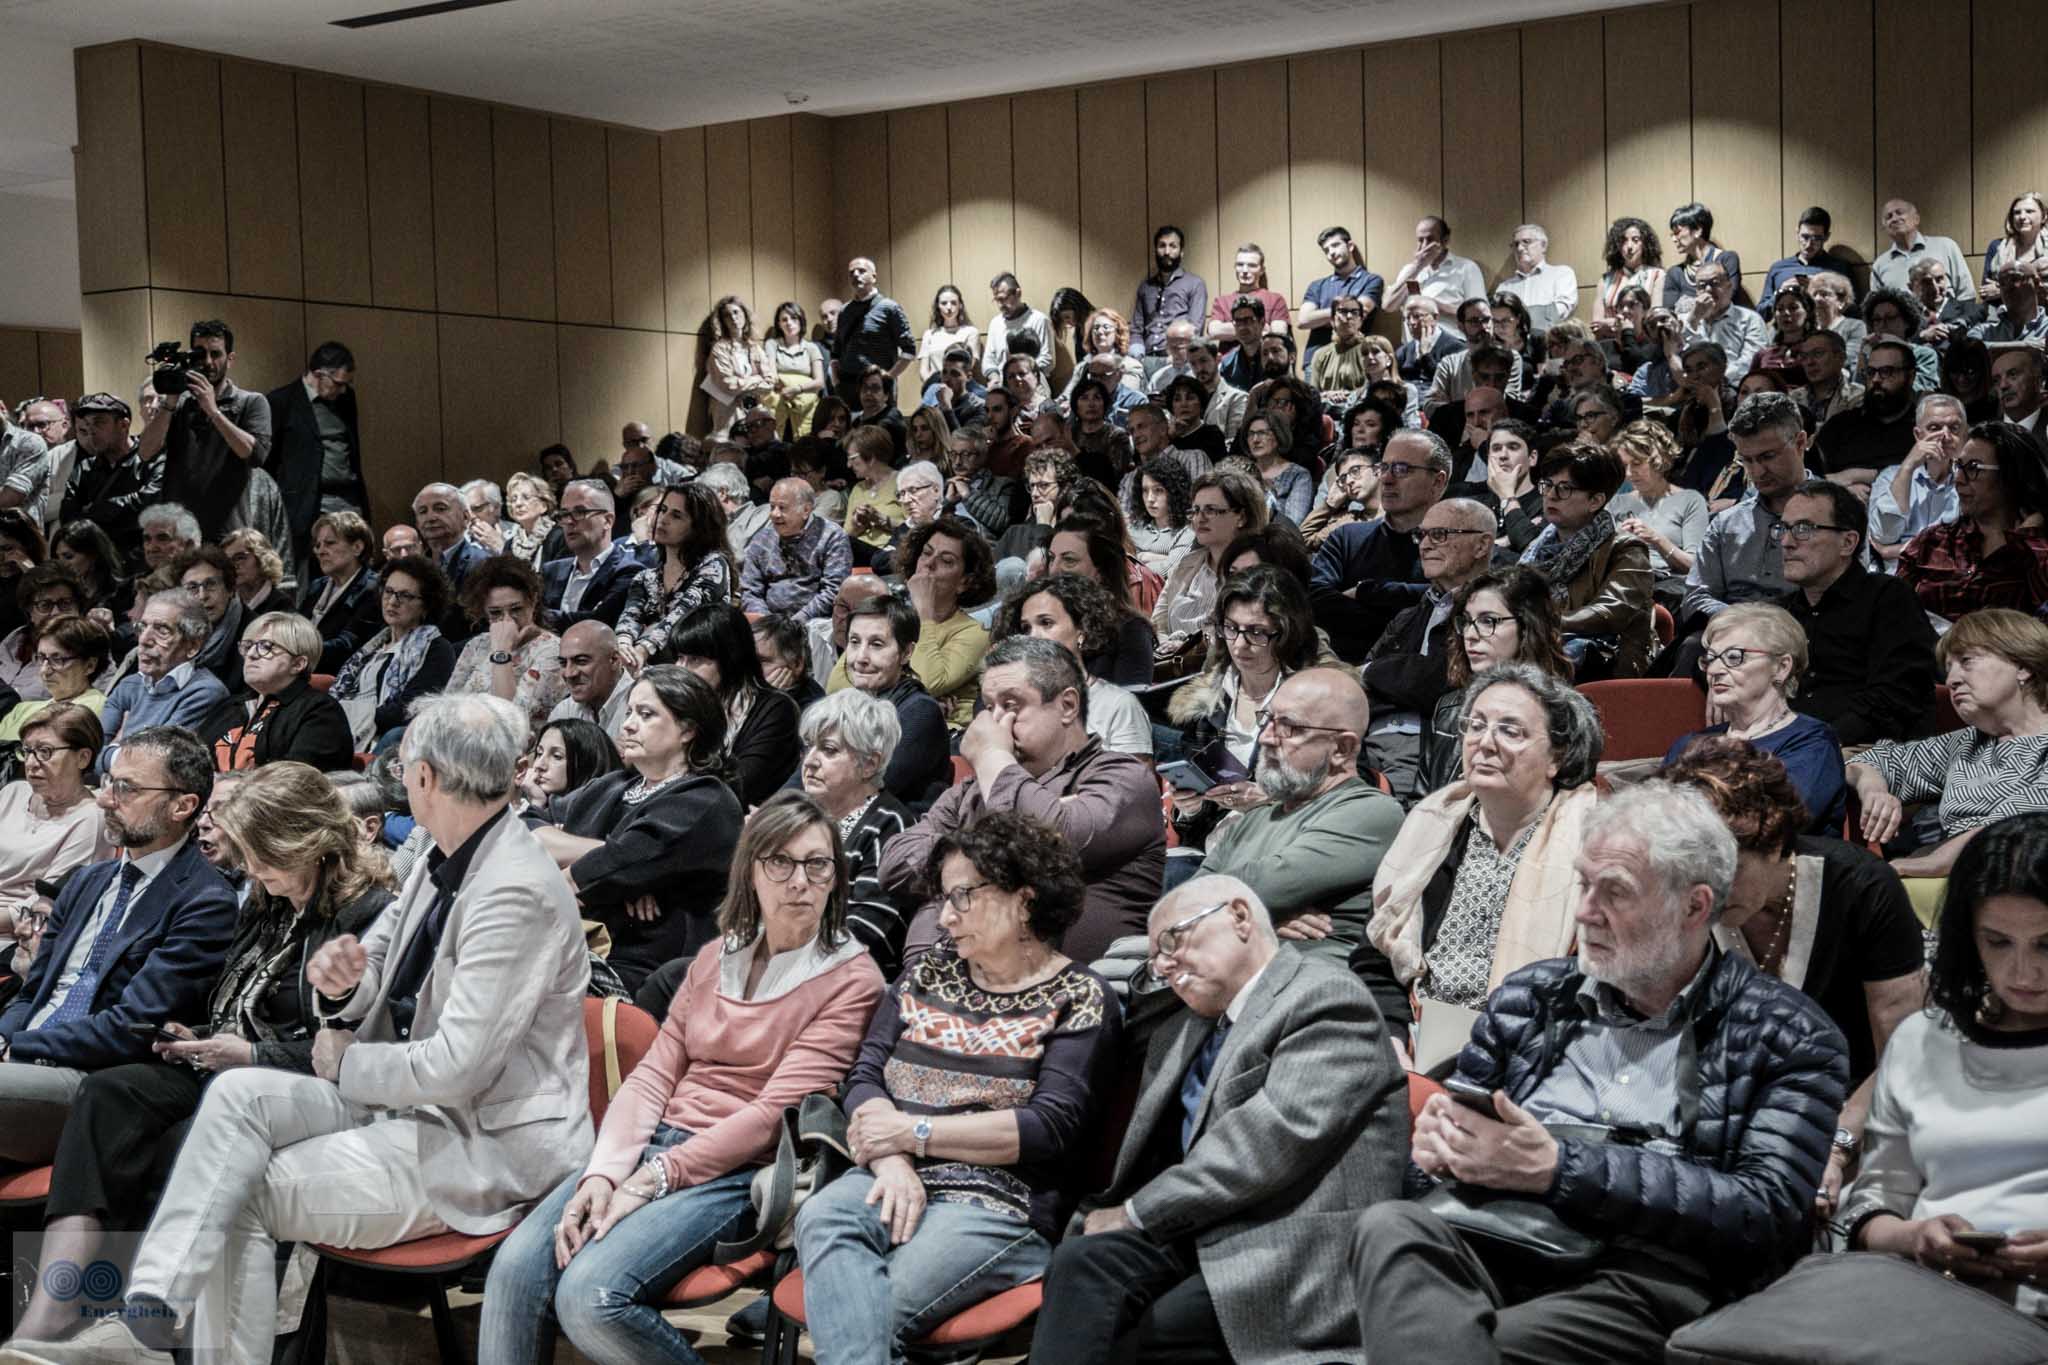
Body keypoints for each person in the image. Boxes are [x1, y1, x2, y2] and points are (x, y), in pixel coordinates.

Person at [49, 694, 591, 1365]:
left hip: (480, 1144)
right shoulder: (438, 853)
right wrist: (344, 985)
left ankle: (150, 1331)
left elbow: (457, 1066)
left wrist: (341, 1059)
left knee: (238, 1188)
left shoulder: (513, 889)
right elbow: (373, 970)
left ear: (422, 777)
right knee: (237, 1098)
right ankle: (147, 1316)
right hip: (412, 1107)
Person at [1351, 781, 1850, 1364]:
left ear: (1694, 906)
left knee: (1488, 1346)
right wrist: (1441, 1153)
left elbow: (1767, 1212)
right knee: (1388, 1225)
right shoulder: (1530, 997)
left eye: (1615, 892)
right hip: (1502, 1233)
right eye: (1584, 883)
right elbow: (1441, 1163)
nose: (1585, 912)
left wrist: (1559, 1168)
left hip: (1648, 1270)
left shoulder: (1789, 1034)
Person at [0, 761, 393, 1358]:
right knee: (111, 1093)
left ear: (303, 841)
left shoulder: (367, 914)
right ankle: (66, 1312)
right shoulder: (267, 898)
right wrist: (202, 1032)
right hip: (225, 1065)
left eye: (258, 851)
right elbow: (238, 999)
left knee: (176, 1137)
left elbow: (356, 1042)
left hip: (296, 1083)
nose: (247, 866)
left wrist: (252, 1050)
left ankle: (138, 1326)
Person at [478, 789, 883, 1365]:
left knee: (592, 1297)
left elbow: (770, 1117)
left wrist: (652, 1179)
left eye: (818, 864)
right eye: (782, 863)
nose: (800, 881)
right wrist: (604, 1172)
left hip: (737, 1169)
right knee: (515, 1268)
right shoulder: (718, 955)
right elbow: (652, 1078)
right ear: (751, 871)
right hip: (654, 1146)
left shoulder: (852, 979)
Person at [1033, 873, 1406, 1364]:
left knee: (1130, 1335)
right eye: (1156, 958)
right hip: (1202, 1229)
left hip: (1284, 1243)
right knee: (1083, 1264)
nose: (1165, 965)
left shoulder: (1325, 999)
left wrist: (1135, 1213)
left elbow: (1264, 1145)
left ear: (1239, 916)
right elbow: (1135, 1023)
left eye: (1174, 939)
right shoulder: (1190, 1024)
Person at [795, 811, 1117, 1365]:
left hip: (999, 1203)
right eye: (943, 899)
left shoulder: (1080, 995)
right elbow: (864, 1076)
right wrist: (892, 1157)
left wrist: (913, 1133)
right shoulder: (926, 975)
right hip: (886, 1174)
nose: (945, 917)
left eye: (962, 896)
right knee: (821, 1216)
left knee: (869, 1311)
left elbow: (1048, 1128)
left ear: (1025, 900)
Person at [1659, 737, 1925, 1212]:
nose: (1710, 891)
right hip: (1732, 1118)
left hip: (1861, 1117)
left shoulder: (1863, 888)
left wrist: (1838, 1145)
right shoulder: (1688, 896)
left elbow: (1902, 1052)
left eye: (1729, 868)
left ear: (1775, 840)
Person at [0, 725, 237, 1162]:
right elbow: (33, 992)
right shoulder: (87, 881)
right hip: (21, 1057)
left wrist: (19, 1047)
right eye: (109, 782)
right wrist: (5, 1036)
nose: (105, 798)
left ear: (183, 805)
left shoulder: (205, 900)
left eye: (126, 788)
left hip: (90, 1079)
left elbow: (133, 1026)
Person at [1356, 662, 1602, 1051]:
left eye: (1510, 730)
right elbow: (1376, 957)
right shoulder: (1433, 823)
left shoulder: (1595, 843)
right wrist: (1393, 1035)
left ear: (1558, 756)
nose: (1484, 742)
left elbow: (1605, 984)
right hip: (1417, 1035)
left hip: (1537, 1048)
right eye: (1476, 724)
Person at [880, 635, 1164, 964]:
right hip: (936, 989)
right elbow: (895, 863)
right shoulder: (971, 789)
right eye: (989, 708)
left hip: (1065, 996)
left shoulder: (1122, 777)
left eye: (1012, 705)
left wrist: (990, 756)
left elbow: (1058, 840)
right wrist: (985, 846)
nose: (995, 723)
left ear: (1067, 706)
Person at [1183, 666, 1402, 964]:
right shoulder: (1254, 818)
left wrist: (1238, 916)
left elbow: (1265, 884)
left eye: (1290, 728)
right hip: (1223, 972)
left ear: (1342, 747)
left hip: (1300, 989)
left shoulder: (1371, 812)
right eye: (1268, 720)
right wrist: (1260, 922)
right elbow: (1183, 904)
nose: (1266, 738)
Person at [1849, 609, 2048, 882]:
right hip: (1944, 876)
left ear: (2023, 667)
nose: (1952, 680)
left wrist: (1931, 863)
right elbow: (1866, 762)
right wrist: (1874, 789)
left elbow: (2014, 827)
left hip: (2019, 880)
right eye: (1949, 668)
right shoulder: (1968, 742)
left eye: (1966, 662)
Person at [1776, 477, 1939, 745]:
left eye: (1803, 529)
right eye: (1783, 529)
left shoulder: (1889, 598)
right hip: (1790, 747)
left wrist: (1818, 743)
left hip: (1865, 750)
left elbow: (1897, 696)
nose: (1786, 542)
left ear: (1848, 543)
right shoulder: (1782, 612)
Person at [1664, 603, 1847, 834]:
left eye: (1734, 657)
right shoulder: (1689, 745)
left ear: (1781, 668)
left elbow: (1771, 821)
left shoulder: (1812, 743)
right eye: (1711, 658)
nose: (1714, 670)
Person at [1360, 498, 1500, 798]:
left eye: (1439, 535)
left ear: (1481, 545)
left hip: (1433, 750)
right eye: (1421, 535)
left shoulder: (1497, 611)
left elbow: (1446, 681)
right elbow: (1360, 681)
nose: (1424, 545)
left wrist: (1381, 672)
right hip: (1365, 742)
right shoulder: (1407, 617)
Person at [1416, 568, 1572, 797]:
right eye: (1467, 621)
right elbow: (1421, 800)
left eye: (1488, 621)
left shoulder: (1563, 710)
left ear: (1528, 627)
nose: (1470, 634)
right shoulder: (1447, 707)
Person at [793, 690, 914, 979]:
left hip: (845, 981)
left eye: (829, 750)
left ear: (869, 764)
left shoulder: (891, 825)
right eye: (808, 746)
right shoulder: (797, 816)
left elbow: (868, 931)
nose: (810, 761)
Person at [1310, 428, 1450, 662]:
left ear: (1438, 481)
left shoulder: (1457, 540)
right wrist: (1408, 612)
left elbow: (1454, 599)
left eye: (1402, 469)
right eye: (1384, 467)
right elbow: (1316, 602)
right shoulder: (1346, 537)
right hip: (1344, 668)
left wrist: (1368, 592)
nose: (1386, 478)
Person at [1521, 442, 1654, 678]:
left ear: (1595, 500)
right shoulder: (1536, 550)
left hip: (1604, 660)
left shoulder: (1627, 548)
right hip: (1543, 644)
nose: (1551, 495)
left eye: (1564, 488)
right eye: (1548, 485)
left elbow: (1612, 611)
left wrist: (1543, 621)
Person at [134, 319, 271, 542]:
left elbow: (255, 455)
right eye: (200, 354)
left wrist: (213, 410)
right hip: (179, 532)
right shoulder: (177, 404)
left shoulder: (251, 402)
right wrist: (170, 401)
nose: (207, 362)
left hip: (227, 530)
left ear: (230, 358)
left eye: (216, 354)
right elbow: (145, 452)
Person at [1899, 420, 2048, 622]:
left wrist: (2028, 532)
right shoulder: (1932, 541)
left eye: (1973, 467)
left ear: (2011, 475)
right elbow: (1891, 612)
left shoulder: (2036, 553)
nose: (1959, 479)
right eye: (1958, 466)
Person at [1683, 392, 1811, 624]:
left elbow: (1848, 600)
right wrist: (1748, 624)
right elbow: (1695, 599)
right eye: (1747, 460)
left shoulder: (1839, 514)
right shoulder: (1726, 523)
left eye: (1768, 456)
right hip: (1729, 635)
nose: (1757, 472)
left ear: (1800, 443)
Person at [998, 573, 1153, 757]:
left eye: (1046, 623)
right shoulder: (1014, 706)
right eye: (1026, 628)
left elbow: (1135, 782)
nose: (1033, 636)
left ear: (1082, 630)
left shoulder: (1118, 706)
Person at [668, 604, 800, 808]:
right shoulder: (678, 705)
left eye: (695, 659)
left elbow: (740, 786)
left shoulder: (777, 710)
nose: (682, 670)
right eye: (680, 658)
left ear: (730, 659)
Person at [830, 594, 949, 811]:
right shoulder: (847, 705)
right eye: (854, 642)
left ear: (906, 653)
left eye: (876, 644)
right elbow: (807, 773)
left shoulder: (920, 712)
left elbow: (868, 789)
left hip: (893, 834)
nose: (860, 658)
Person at [327, 554, 457, 751]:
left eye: (405, 595)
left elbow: (409, 709)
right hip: (343, 728)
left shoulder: (437, 649)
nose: (392, 602)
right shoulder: (372, 644)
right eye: (388, 592)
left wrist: (345, 715)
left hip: (382, 740)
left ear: (427, 605)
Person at [95, 590, 231, 775]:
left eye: (162, 630)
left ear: (193, 646)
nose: (144, 640)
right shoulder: (129, 684)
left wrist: (113, 748)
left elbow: (153, 765)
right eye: (142, 627)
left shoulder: (205, 692)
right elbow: (86, 755)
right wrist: (122, 754)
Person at [199, 611, 354, 773]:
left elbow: (295, 783)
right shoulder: (230, 706)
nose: (251, 654)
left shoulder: (320, 713)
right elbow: (190, 758)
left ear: (298, 664)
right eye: (248, 646)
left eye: (265, 646)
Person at [261, 341, 365, 566]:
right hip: (304, 506)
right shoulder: (281, 401)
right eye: (338, 383)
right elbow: (267, 461)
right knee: (307, 572)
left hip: (347, 498)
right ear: (318, 374)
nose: (343, 390)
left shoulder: (346, 399)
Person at [614, 483, 736, 669]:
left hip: (700, 667)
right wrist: (623, 646)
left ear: (698, 526)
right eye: (662, 510)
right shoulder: (646, 577)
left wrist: (643, 650)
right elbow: (630, 617)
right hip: (653, 667)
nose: (663, 519)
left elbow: (681, 616)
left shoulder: (714, 565)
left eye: (676, 515)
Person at [444, 554, 567, 733]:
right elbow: (447, 705)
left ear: (532, 601)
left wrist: (502, 650)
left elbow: (509, 721)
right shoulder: (477, 645)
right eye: (495, 613)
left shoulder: (553, 651)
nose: (507, 620)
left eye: (516, 609)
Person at [0, 704, 107, 904]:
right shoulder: (13, 792)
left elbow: (47, 903)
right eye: (27, 751)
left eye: (44, 751)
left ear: (83, 758)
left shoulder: (92, 819)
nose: (30, 763)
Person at [1607, 419, 1708, 603]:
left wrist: (1655, 538)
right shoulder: (1615, 503)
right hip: (1620, 581)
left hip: (1665, 588)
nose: (1629, 473)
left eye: (1636, 464)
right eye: (1625, 465)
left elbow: (1695, 566)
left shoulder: (1690, 500)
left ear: (1659, 460)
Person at [1868, 394, 1965, 568]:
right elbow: (1884, 535)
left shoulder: (1973, 481)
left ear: (1964, 434)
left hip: (1952, 582)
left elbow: (1965, 548)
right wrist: (1907, 467)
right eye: (1934, 427)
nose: (1945, 435)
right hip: (1896, 582)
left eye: (1954, 428)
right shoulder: (1890, 477)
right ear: (1918, 435)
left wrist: (1891, 551)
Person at [741, 477, 853, 624]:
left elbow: (834, 590)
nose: (774, 514)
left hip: (816, 623)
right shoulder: (762, 539)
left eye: (782, 507)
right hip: (769, 624)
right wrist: (768, 623)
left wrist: (797, 622)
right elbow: (750, 590)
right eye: (772, 506)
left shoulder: (832, 536)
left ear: (806, 510)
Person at [541, 479, 646, 632]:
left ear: (608, 521)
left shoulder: (630, 571)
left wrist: (536, 617)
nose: (569, 521)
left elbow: (598, 622)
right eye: (564, 514)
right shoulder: (550, 571)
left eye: (579, 512)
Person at [0, 564, 86, 702]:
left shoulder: (89, 645)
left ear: (78, 607)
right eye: (45, 605)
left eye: (65, 603)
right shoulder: (13, 642)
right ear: (29, 611)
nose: (56, 613)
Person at [515, 716, 620, 823]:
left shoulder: (599, 818)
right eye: (539, 753)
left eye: (557, 756)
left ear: (586, 764)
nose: (539, 765)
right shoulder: (528, 800)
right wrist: (536, 802)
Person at [1386, 216, 1487, 321]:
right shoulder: (1409, 270)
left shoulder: (1467, 268)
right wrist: (1418, 267)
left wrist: (1430, 305)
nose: (1424, 245)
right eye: (1420, 240)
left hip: (1452, 336)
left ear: (1445, 241)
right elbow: (1388, 306)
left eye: (1430, 239)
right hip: (1413, 337)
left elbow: (1479, 314)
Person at [1592, 216, 1666, 337]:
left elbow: (1654, 317)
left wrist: (1612, 323)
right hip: (1611, 347)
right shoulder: (1605, 281)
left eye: (1635, 240)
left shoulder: (1657, 275)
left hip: (1645, 345)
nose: (1629, 246)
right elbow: (1596, 326)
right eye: (1624, 241)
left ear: (1645, 244)